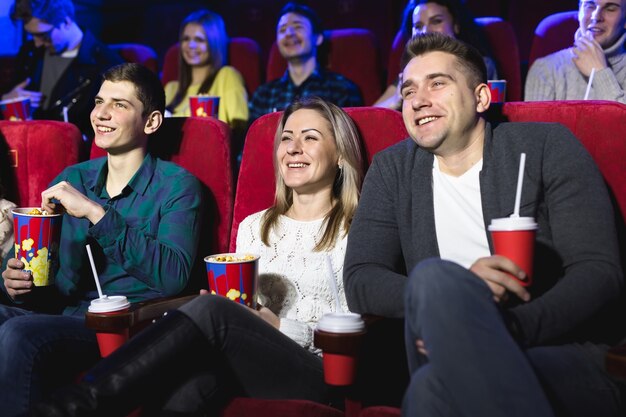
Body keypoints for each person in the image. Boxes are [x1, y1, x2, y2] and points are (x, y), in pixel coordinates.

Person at [344, 33, 624, 417]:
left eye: (437, 83)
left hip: (561, 354)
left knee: (429, 392)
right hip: (437, 348)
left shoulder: (546, 146)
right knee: (431, 280)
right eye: (408, 91)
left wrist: (500, 327)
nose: (418, 100)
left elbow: (600, 273)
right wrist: (452, 299)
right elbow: (361, 278)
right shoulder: (392, 169)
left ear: (481, 97)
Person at [30, 96, 365, 416]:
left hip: (320, 374)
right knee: (186, 387)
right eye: (287, 138)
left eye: (310, 138)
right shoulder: (255, 226)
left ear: (339, 154)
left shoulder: (359, 229)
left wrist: (277, 325)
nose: (293, 148)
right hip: (245, 360)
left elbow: (357, 332)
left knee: (210, 310)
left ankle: (70, 408)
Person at [0, 62, 204, 417]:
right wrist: (14, 280)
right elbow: (47, 272)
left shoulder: (177, 185)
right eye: (99, 101)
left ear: (151, 122)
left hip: (124, 326)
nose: (101, 114)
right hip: (61, 314)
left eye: (120, 105)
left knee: (20, 333)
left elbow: (174, 275)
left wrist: (96, 213)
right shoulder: (73, 177)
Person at [2, 0, 124, 140]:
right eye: (32, 35)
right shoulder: (29, 53)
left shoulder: (107, 66)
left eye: (43, 35)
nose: (37, 43)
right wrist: (6, 101)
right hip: (28, 146)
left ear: (66, 22)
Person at [248, 2, 364, 124]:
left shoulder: (341, 88)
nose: (288, 33)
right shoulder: (263, 95)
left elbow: (349, 137)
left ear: (318, 38)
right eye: (282, 30)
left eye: (298, 27)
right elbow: (252, 141)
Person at [374, 0, 498, 110]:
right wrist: (396, 99)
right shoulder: (411, 71)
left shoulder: (480, 64)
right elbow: (370, 112)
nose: (425, 32)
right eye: (418, 26)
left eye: (436, 21)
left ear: (456, 25)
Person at [163, 9, 248, 131]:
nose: (191, 45)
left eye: (199, 40)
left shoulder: (227, 76)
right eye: (186, 39)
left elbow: (240, 129)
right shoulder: (171, 89)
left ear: (214, 43)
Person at [525, 0, 626, 103]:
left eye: (610, 9)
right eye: (590, 5)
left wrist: (599, 73)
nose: (596, 17)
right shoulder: (545, 68)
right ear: (580, 11)